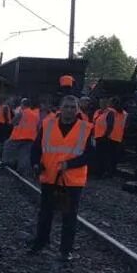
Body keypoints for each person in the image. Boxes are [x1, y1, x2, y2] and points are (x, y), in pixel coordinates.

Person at [29, 95, 95, 261]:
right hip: (50, 177)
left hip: (72, 181)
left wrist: (70, 164)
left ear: (78, 109)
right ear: (60, 108)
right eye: (66, 107)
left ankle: (66, 250)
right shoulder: (47, 125)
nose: (70, 110)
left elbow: (91, 155)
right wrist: (36, 164)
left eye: (73, 107)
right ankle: (40, 242)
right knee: (45, 213)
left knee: (69, 216)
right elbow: (36, 148)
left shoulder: (86, 128)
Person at [9, 98, 42, 177]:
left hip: (18, 137)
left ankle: (11, 166)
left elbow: (13, 122)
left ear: (23, 105)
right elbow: (38, 127)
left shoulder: (21, 113)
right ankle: (21, 170)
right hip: (31, 138)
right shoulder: (36, 115)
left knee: (11, 151)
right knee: (24, 155)